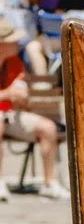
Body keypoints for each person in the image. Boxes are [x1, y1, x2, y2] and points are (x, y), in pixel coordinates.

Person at [2, 68, 64, 197]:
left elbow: (22, 100)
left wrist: (23, 98)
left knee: (48, 127)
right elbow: (9, 94)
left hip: (10, 114)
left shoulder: (13, 62)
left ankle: (49, 183)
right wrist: (6, 94)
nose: (14, 47)